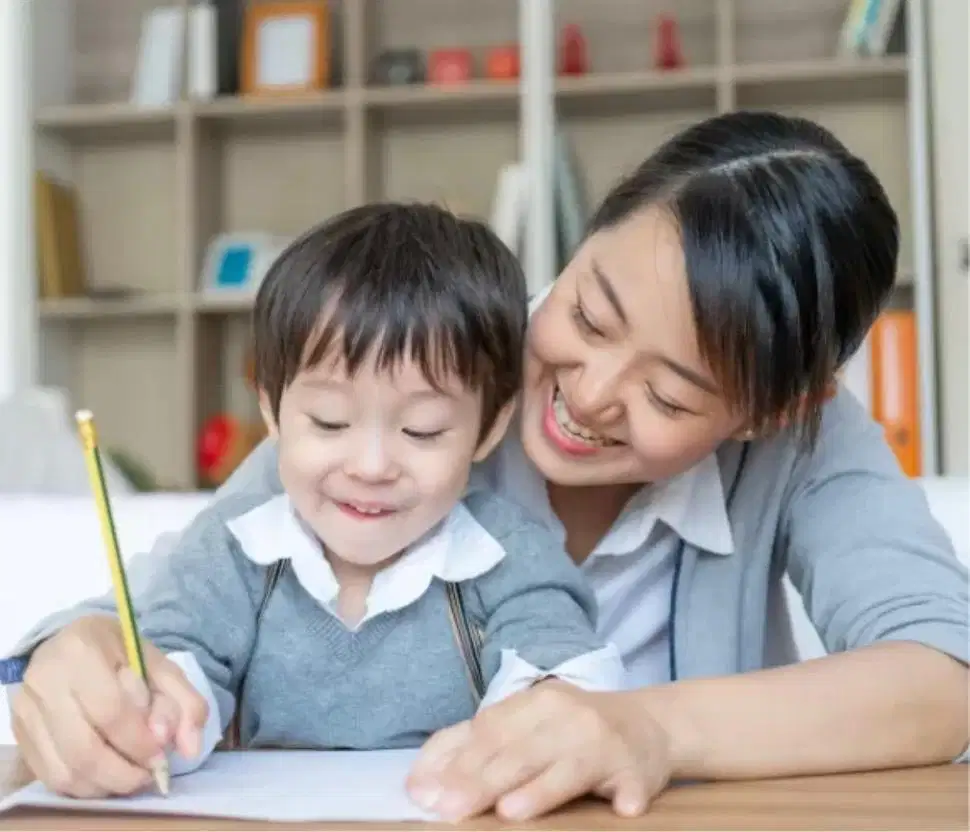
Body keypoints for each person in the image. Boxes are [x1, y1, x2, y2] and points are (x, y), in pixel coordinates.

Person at [11, 110, 969, 816]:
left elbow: (943, 676)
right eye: (589, 313)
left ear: (776, 409)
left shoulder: (810, 436)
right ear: (587, 236)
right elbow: (181, 594)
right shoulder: (436, 373)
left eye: (671, 395)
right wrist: (82, 660)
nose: (589, 393)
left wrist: (649, 727)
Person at [6, 203, 624, 799]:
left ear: (489, 429)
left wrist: (549, 698)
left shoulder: (507, 553)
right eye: (329, 422)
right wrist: (155, 716)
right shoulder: (234, 545)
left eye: (423, 431)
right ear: (272, 411)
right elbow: (180, 652)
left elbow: (556, 658)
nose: (372, 467)